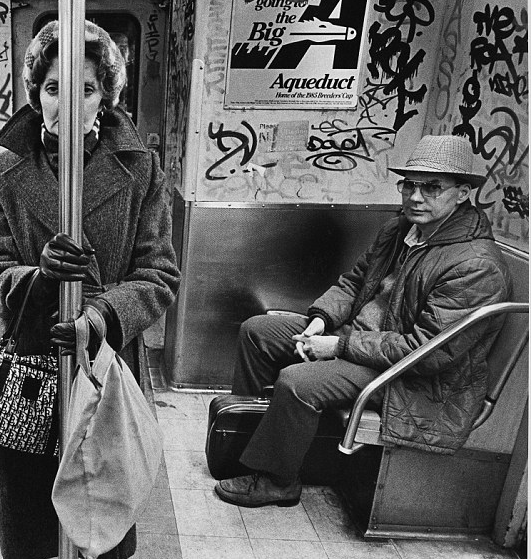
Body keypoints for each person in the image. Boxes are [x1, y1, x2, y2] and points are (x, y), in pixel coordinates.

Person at [0, 20, 180, 559]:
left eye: (84, 89)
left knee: (98, 509)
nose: (68, 103)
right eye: (54, 88)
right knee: (33, 523)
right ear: (36, 96)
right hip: (27, 360)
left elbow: (158, 274)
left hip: (102, 359)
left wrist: (102, 314)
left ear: (104, 97)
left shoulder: (142, 170)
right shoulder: (4, 170)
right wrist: (36, 278)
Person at [214, 135, 513, 509]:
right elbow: (355, 282)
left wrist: (338, 347)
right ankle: (249, 440)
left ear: (463, 193)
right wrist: (321, 321)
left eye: (432, 187)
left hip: (413, 376)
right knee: (258, 332)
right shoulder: (400, 230)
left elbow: (428, 351)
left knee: (298, 382)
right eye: (410, 185)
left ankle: (278, 480)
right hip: (360, 340)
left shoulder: (476, 266)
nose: (416, 197)